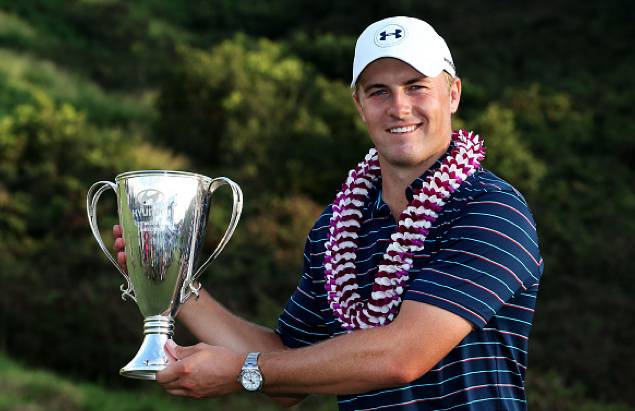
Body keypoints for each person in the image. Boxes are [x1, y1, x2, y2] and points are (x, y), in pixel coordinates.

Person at [113, 16, 543, 410]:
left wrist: (242, 372)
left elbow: (402, 355)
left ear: (452, 94)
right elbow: (289, 374)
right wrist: (172, 281)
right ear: (359, 106)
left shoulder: (490, 209)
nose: (399, 107)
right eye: (378, 92)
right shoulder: (337, 229)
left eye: (416, 86)